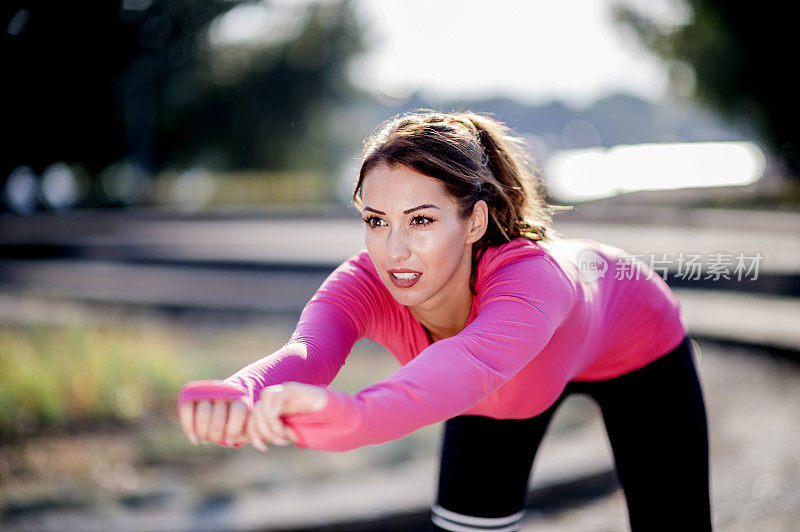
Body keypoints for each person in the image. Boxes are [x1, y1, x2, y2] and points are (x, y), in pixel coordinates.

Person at [177, 110, 712, 531]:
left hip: (637, 347)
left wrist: (341, 415)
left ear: (475, 219)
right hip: (501, 389)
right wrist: (236, 396)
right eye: (376, 220)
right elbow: (306, 354)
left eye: (422, 221)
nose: (394, 249)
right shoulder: (364, 281)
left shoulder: (533, 281)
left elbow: (463, 361)